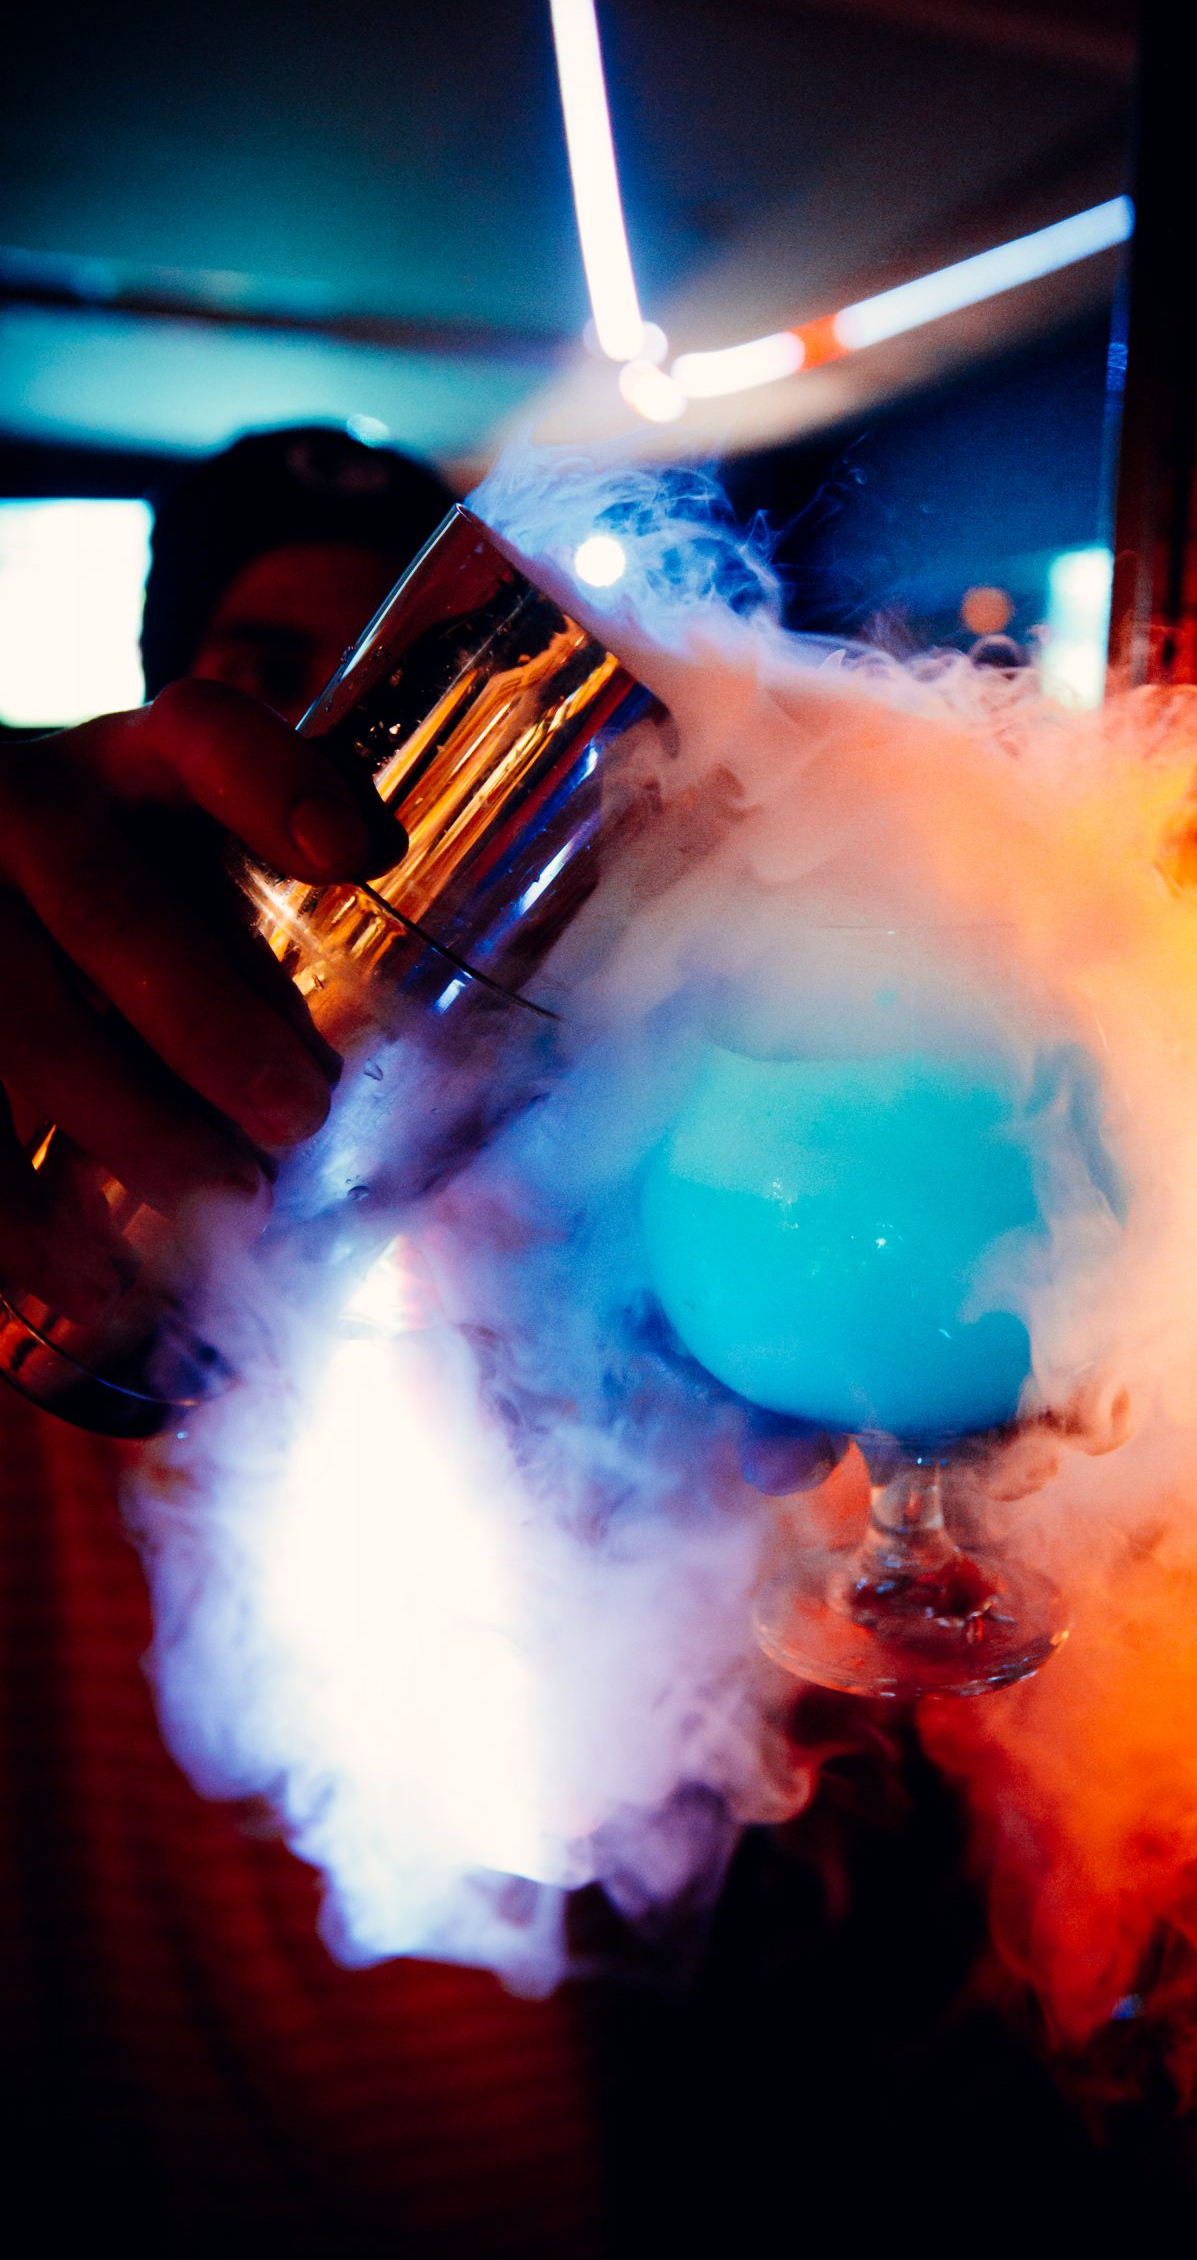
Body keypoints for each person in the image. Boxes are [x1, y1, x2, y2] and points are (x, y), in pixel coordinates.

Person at [0, 427, 604, 2253]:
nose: (334, 763)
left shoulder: (583, 1147)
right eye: (283, 688)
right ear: (162, 719)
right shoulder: (33, 1131)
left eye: (392, 696)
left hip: (480, 2160)